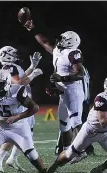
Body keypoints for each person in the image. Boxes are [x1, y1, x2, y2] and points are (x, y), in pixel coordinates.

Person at [23, 20, 85, 152]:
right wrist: (33, 29)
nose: (60, 40)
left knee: (76, 123)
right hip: (63, 91)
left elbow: (81, 74)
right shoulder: (59, 50)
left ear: (70, 42)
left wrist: (62, 78)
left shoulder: (73, 53)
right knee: (64, 124)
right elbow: (44, 43)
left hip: (73, 90)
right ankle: (68, 151)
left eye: (63, 39)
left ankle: (81, 150)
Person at [47, 75, 107, 173]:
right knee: (69, 154)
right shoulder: (101, 98)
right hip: (90, 132)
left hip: (106, 134)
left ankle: (98, 169)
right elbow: (103, 122)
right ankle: (52, 168)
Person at [0, 46, 43, 172]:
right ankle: (0, 159)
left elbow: (20, 77)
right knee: (19, 132)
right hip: (19, 102)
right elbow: (18, 83)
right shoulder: (10, 66)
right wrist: (33, 75)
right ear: (7, 55)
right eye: (13, 53)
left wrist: (32, 67)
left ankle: (12, 158)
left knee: (25, 133)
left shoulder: (9, 67)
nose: (16, 55)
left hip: (18, 101)